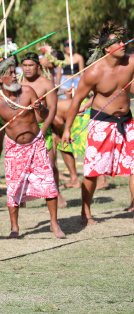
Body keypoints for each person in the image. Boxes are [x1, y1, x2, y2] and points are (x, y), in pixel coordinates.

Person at [0, 59, 65, 239]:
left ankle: (54, 223)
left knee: (48, 183)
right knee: (14, 187)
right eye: (10, 73)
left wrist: (40, 107)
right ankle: (14, 227)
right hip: (14, 148)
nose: (15, 75)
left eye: (14, 71)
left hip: (36, 144)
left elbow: (44, 115)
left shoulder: (28, 92)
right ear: (0, 79)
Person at [62, 22, 134, 226]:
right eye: (117, 42)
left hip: (127, 122)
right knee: (93, 171)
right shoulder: (94, 72)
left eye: (122, 40)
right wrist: (67, 129)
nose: (122, 44)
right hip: (102, 124)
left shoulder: (131, 62)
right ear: (106, 49)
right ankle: (85, 212)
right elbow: (76, 101)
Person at [19, 52, 67, 208]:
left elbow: (53, 108)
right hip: (22, 130)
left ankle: (56, 193)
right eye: (24, 65)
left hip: (42, 129)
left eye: (31, 65)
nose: (27, 69)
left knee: (50, 166)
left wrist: (45, 128)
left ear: (38, 67)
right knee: (23, 168)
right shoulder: (17, 84)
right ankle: (22, 197)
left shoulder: (47, 84)